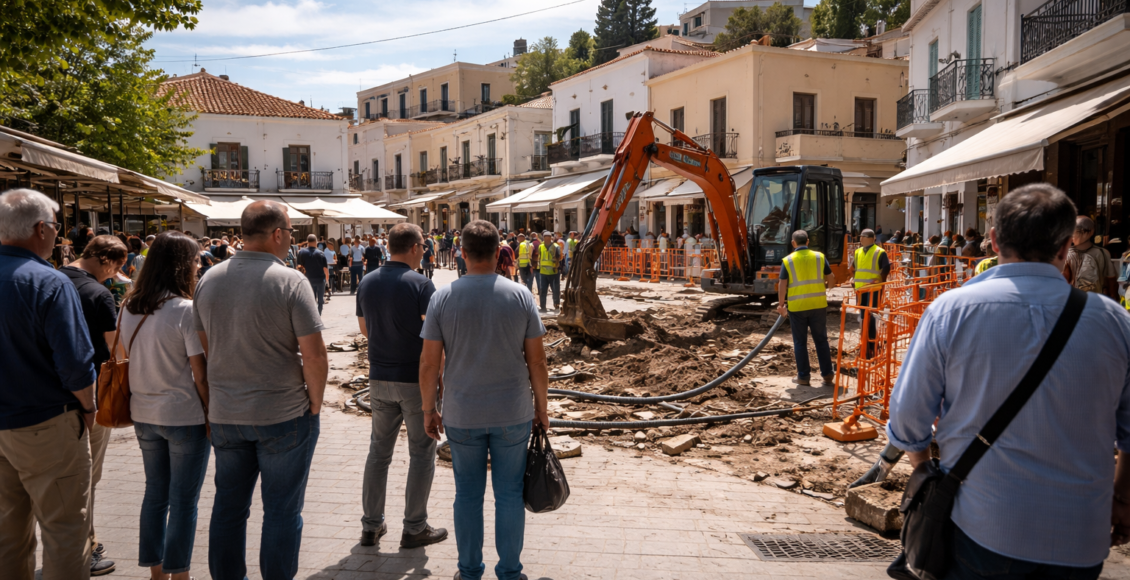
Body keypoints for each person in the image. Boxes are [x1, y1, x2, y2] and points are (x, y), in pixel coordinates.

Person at [888, 183, 1130, 578]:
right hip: (1080, 534)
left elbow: (907, 418)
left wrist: (923, 471)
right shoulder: (1114, 321)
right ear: (1066, 246)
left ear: (995, 240)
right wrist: (1122, 497)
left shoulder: (951, 311)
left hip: (980, 525)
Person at [193, 201, 327, 580]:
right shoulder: (290, 280)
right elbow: (314, 355)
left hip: (226, 413)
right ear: (278, 234)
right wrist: (314, 404)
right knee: (282, 511)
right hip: (282, 414)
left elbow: (206, 346)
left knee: (228, 509)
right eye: (291, 234)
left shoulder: (209, 279)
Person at [420, 220, 550, 580]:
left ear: (462, 253)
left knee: (467, 495)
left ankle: (469, 570)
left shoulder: (442, 297)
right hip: (513, 412)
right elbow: (537, 361)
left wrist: (429, 409)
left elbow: (429, 363)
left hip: (462, 413)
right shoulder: (521, 296)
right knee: (509, 494)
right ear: (499, 253)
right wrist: (542, 408)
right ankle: (509, 572)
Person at [0, 188, 98, 580]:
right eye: (56, 227)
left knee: (7, 534)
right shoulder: (48, 282)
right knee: (65, 532)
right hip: (45, 424)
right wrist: (89, 409)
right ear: (41, 228)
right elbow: (75, 363)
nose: (58, 235)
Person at [119, 232, 211, 580]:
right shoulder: (185, 310)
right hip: (183, 413)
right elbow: (199, 373)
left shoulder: (129, 305)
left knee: (155, 494)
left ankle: (156, 572)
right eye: (195, 259)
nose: (199, 264)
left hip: (143, 412)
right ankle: (180, 573)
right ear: (182, 265)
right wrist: (210, 413)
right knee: (184, 501)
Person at [356, 224, 448, 550]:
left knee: (378, 453)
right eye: (423, 244)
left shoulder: (367, 281)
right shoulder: (422, 285)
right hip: (415, 380)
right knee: (422, 454)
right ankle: (414, 527)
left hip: (379, 377)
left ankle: (370, 526)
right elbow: (436, 338)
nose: (425, 249)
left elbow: (365, 328)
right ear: (413, 247)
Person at [60, 235, 130, 576]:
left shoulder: (53, 278)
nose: (113, 276)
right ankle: (83, 549)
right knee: (87, 477)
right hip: (90, 396)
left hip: (45, 397)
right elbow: (114, 351)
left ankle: (84, 542)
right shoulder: (98, 294)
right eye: (115, 269)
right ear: (106, 261)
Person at [776, 230, 835, 387]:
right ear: (808, 241)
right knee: (821, 340)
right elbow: (831, 278)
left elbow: (782, 283)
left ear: (793, 243)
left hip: (798, 307)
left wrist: (781, 304)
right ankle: (828, 375)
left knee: (800, 342)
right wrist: (827, 288)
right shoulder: (819, 257)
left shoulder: (788, 260)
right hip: (818, 305)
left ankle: (803, 377)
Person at [848, 229, 889, 358]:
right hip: (860, 290)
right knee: (863, 318)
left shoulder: (879, 252)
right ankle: (867, 346)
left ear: (871, 238)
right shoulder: (858, 252)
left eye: (863, 237)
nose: (860, 239)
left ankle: (871, 347)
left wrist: (880, 283)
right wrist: (853, 279)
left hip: (873, 290)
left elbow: (886, 269)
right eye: (860, 237)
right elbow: (854, 268)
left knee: (870, 319)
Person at [1064, 216, 1116, 297]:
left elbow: (1111, 280)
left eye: (1074, 232)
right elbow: (1111, 280)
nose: (1071, 236)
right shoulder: (1067, 253)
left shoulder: (1102, 253)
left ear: (1089, 232)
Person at [297, 234, 330, 314]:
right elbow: (325, 269)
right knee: (320, 300)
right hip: (320, 279)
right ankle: (318, 315)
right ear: (316, 242)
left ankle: (312, 315)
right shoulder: (321, 253)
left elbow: (298, 266)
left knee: (311, 299)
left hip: (308, 279)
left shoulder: (302, 252)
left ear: (307, 242)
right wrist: (327, 280)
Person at [534, 230, 562, 313]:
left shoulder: (556, 246)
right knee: (543, 290)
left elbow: (560, 258)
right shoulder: (541, 247)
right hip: (543, 272)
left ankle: (556, 305)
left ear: (550, 238)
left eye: (547, 237)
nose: (546, 239)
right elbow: (539, 256)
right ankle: (543, 307)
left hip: (553, 272)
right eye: (545, 237)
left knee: (555, 290)